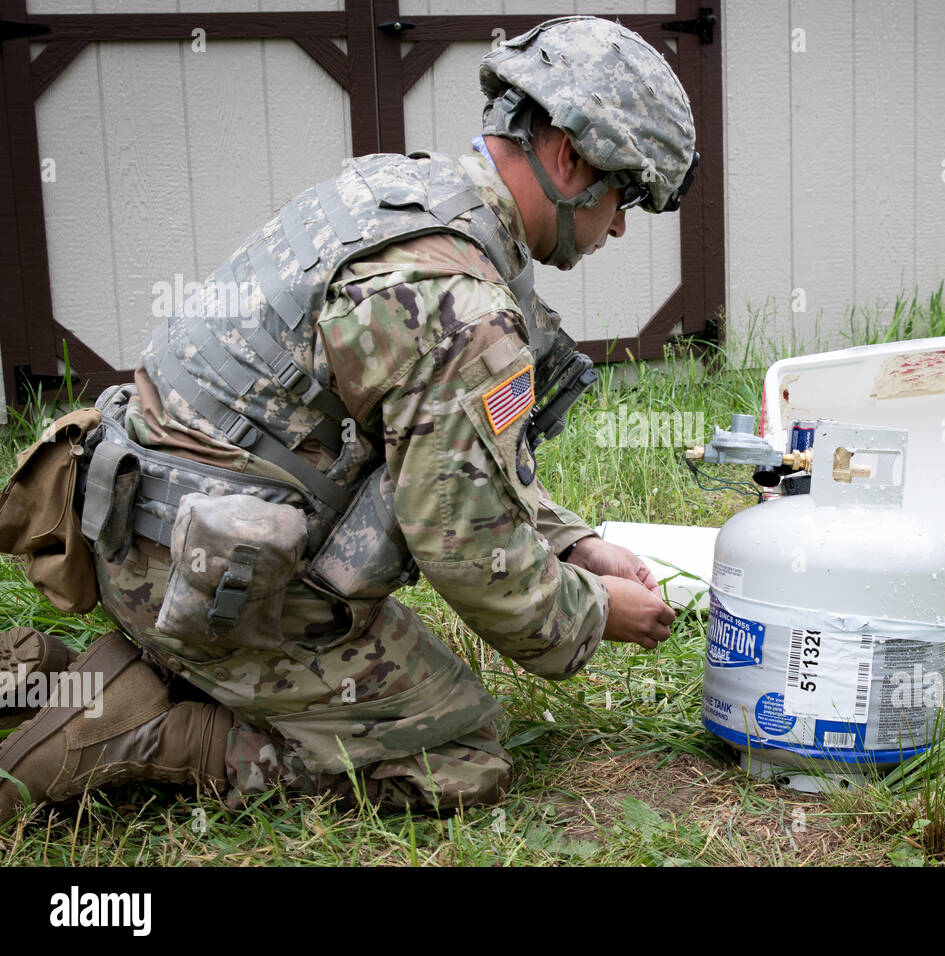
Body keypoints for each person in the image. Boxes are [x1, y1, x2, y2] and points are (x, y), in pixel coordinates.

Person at [0, 15, 694, 822]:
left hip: (131, 531)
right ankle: (157, 729)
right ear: (571, 156)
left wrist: (575, 543)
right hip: (207, 586)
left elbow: (451, 453)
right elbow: (468, 553)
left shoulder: (395, 195)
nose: (617, 226)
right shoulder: (462, 305)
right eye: (626, 197)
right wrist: (597, 611)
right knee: (460, 756)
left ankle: (52, 674)